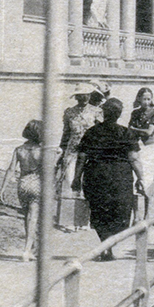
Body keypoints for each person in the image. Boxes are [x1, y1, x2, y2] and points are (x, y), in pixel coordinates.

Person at [73, 98, 143, 260]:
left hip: (95, 175)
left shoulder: (92, 132)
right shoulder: (126, 133)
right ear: (119, 114)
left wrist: (76, 177)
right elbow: (134, 159)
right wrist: (141, 178)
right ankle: (109, 246)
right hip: (120, 176)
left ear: (104, 112)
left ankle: (105, 244)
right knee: (120, 212)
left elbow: (82, 157)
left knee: (98, 210)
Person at [55, 82, 104, 228]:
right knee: (70, 182)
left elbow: (101, 133)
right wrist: (61, 150)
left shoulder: (96, 112)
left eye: (86, 95)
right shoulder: (69, 112)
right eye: (80, 96)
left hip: (90, 151)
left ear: (90, 95)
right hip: (72, 151)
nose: (83, 98)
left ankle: (83, 220)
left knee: (87, 184)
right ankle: (69, 220)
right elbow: (66, 133)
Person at [0, 120, 45, 262]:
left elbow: (11, 169)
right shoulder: (42, 151)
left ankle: (30, 248)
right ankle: (27, 250)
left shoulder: (19, 149)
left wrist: (3, 188)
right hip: (36, 184)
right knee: (34, 218)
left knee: (27, 217)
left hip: (23, 184)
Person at [128, 87, 154, 189]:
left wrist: (135, 129)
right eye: (144, 99)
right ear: (139, 99)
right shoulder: (135, 113)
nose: (146, 102)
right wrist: (134, 129)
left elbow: (149, 132)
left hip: (149, 146)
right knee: (138, 172)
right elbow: (129, 129)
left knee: (148, 173)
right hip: (137, 146)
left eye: (149, 99)